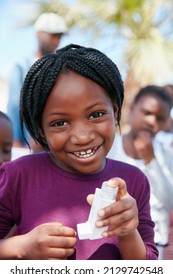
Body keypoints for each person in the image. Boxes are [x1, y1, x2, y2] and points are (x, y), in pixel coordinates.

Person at [0, 44, 158, 260]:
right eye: (60, 122)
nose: (82, 137)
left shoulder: (134, 181)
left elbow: (147, 267)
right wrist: (22, 247)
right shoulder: (18, 175)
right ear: (40, 129)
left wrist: (128, 232)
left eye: (96, 114)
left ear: (114, 111)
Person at [107, 85, 173, 259]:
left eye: (160, 118)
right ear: (133, 107)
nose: (152, 122)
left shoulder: (165, 153)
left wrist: (151, 161)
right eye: (147, 113)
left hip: (154, 244)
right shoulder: (111, 146)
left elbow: (170, 202)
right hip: (111, 239)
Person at [7, 12, 68, 153]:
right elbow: (15, 105)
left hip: (55, 144)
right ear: (39, 34)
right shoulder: (22, 66)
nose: (56, 40)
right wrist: (15, 141)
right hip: (28, 145)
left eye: (59, 36)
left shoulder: (62, 68)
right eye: (53, 35)